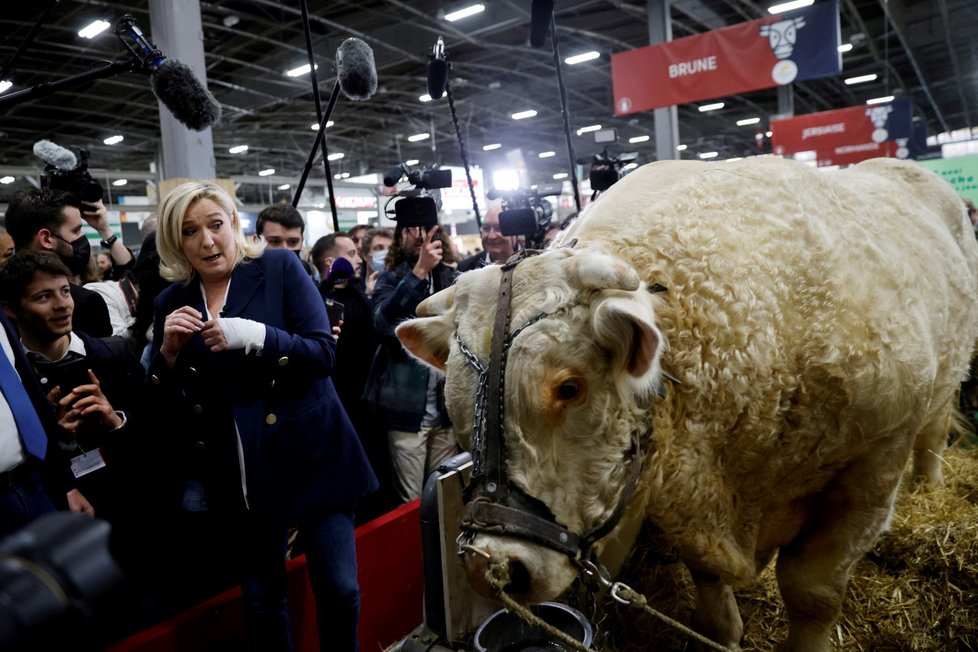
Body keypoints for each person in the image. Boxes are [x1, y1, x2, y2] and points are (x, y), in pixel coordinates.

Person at [149, 182, 377, 651]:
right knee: (261, 603)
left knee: (340, 587)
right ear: (177, 241)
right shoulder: (169, 302)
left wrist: (258, 335)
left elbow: (322, 354)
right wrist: (168, 356)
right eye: (191, 232)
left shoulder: (277, 266)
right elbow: (169, 406)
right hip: (239, 476)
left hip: (313, 454)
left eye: (216, 225)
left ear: (234, 224)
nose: (208, 241)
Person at [366, 221, 459, 504]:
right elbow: (382, 323)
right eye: (410, 230)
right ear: (400, 236)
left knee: (445, 495)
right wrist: (419, 272)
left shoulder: (453, 278)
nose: (419, 236)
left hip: (446, 410)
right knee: (411, 501)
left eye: (426, 229)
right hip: (406, 411)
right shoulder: (390, 279)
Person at [311, 232, 395, 520]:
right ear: (330, 261)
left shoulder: (358, 292)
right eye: (351, 253)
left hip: (369, 402)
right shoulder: (317, 299)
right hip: (341, 404)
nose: (359, 259)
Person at [4, 188, 132, 338]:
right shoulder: (86, 303)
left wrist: (103, 228)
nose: (83, 236)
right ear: (46, 239)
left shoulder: (7, 296)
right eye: (76, 230)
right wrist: (104, 229)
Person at [458, 203, 517, 271]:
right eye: (486, 228)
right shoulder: (466, 268)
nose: (491, 236)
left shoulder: (530, 263)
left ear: (515, 232)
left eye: (499, 229)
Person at [360, 227, 393, 297]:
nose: (387, 253)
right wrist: (368, 296)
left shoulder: (399, 283)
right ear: (366, 255)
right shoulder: (355, 287)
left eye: (390, 248)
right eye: (379, 248)